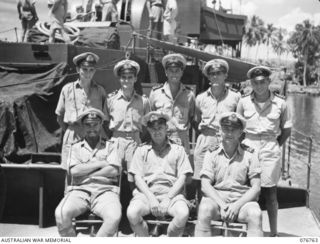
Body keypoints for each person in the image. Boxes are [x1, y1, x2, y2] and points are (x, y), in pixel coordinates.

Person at [237, 66, 292, 237]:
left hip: (270, 148)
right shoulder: (243, 102)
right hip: (248, 147)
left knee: (270, 193)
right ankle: (247, 231)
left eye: (262, 82)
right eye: (255, 82)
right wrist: (242, 147)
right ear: (251, 83)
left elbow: (286, 130)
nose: (259, 85)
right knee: (243, 189)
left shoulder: (281, 103)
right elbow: (238, 128)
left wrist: (275, 145)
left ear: (268, 81)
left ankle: (274, 233)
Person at [55, 108, 122, 237]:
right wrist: (101, 163)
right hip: (79, 191)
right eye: (88, 124)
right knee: (61, 214)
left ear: (101, 124)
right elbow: (74, 171)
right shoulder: (74, 147)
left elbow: (114, 170)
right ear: (82, 126)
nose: (92, 128)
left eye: (95, 124)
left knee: (114, 217)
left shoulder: (111, 146)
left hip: (105, 191)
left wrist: (88, 173)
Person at [195, 112, 263, 237]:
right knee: (204, 209)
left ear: (241, 132)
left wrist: (236, 206)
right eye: (226, 129)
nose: (229, 133)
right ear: (220, 131)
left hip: (242, 202)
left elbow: (256, 187)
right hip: (217, 201)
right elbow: (205, 185)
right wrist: (222, 204)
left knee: (255, 214)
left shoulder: (250, 154)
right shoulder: (211, 153)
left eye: (234, 129)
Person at [126, 111, 193, 237]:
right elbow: (137, 178)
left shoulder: (178, 149)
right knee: (132, 213)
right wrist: (151, 199)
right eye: (153, 129)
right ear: (148, 130)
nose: (157, 132)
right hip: (147, 194)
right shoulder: (141, 150)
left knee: (183, 213)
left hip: (172, 194)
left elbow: (183, 177)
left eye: (160, 128)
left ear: (166, 128)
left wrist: (168, 198)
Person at [193, 59, 240, 195]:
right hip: (205, 140)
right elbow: (196, 121)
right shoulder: (201, 98)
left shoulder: (235, 97)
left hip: (226, 141)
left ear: (225, 75)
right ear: (208, 76)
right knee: (201, 178)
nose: (215, 76)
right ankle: (200, 209)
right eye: (212, 73)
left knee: (223, 178)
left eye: (219, 73)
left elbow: (240, 122)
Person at [55, 52, 108, 170]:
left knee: (93, 170)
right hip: (73, 136)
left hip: (93, 136)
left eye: (91, 69)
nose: (88, 73)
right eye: (85, 69)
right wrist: (72, 130)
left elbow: (104, 118)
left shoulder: (100, 91)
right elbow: (59, 117)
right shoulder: (67, 90)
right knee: (70, 171)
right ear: (78, 69)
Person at [105, 59, 150, 175]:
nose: (127, 80)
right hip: (116, 142)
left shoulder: (143, 101)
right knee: (114, 177)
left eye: (130, 77)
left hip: (135, 142)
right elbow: (105, 122)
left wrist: (137, 137)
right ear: (119, 79)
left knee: (134, 177)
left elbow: (146, 125)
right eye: (123, 77)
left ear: (135, 78)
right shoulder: (111, 100)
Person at [149, 53, 195, 155]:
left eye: (177, 71)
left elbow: (191, 117)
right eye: (171, 71)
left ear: (182, 72)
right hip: (160, 141)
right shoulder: (155, 93)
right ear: (166, 72)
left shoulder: (189, 95)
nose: (174, 74)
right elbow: (150, 116)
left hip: (181, 141)